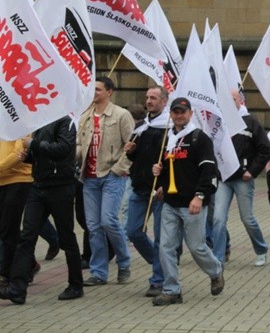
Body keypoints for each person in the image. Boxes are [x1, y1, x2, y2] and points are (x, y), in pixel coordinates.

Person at [0, 117, 84, 304]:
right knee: (27, 237)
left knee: (66, 236)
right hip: (38, 186)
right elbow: (38, 153)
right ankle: (17, 289)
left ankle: (75, 284)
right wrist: (28, 156)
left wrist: (34, 144)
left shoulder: (66, 120)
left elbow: (63, 149)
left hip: (60, 186)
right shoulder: (37, 121)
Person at [150, 97, 223, 306]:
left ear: (190, 114)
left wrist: (199, 196)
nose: (179, 115)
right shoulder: (167, 139)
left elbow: (208, 170)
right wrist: (159, 176)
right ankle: (172, 290)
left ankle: (216, 270)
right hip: (170, 203)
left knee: (196, 247)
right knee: (166, 247)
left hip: (192, 202)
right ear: (170, 114)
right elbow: (169, 168)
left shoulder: (200, 138)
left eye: (183, 111)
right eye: (175, 111)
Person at [77, 77, 134, 286]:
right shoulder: (85, 116)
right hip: (89, 178)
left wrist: (119, 169)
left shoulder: (121, 115)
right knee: (93, 226)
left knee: (108, 221)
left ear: (109, 92)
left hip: (111, 175)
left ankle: (124, 262)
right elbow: (79, 145)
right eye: (92, 89)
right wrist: (72, 155)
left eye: (98, 89)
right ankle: (99, 272)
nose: (94, 93)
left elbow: (132, 145)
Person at [211, 89, 270, 267]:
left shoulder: (251, 122)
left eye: (233, 99)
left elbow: (265, 149)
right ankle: (218, 257)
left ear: (241, 101)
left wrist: (252, 171)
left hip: (243, 179)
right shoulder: (219, 122)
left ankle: (261, 249)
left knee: (247, 218)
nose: (230, 102)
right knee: (218, 219)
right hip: (223, 178)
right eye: (226, 100)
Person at [123, 86, 170, 297]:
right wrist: (131, 152)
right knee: (133, 231)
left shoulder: (170, 127)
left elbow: (172, 160)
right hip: (140, 188)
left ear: (164, 101)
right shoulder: (141, 126)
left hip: (160, 190)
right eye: (147, 98)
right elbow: (136, 157)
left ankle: (157, 280)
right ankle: (160, 262)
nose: (149, 101)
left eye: (154, 98)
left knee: (161, 237)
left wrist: (164, 184)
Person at [0, 140, 34, 287]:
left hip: (18, 180)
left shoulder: (18, 122)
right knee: (5, 228)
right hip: (1, 181)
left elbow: (18, 154)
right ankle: (29, 263)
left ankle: (5, 274)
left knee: (9, 229)